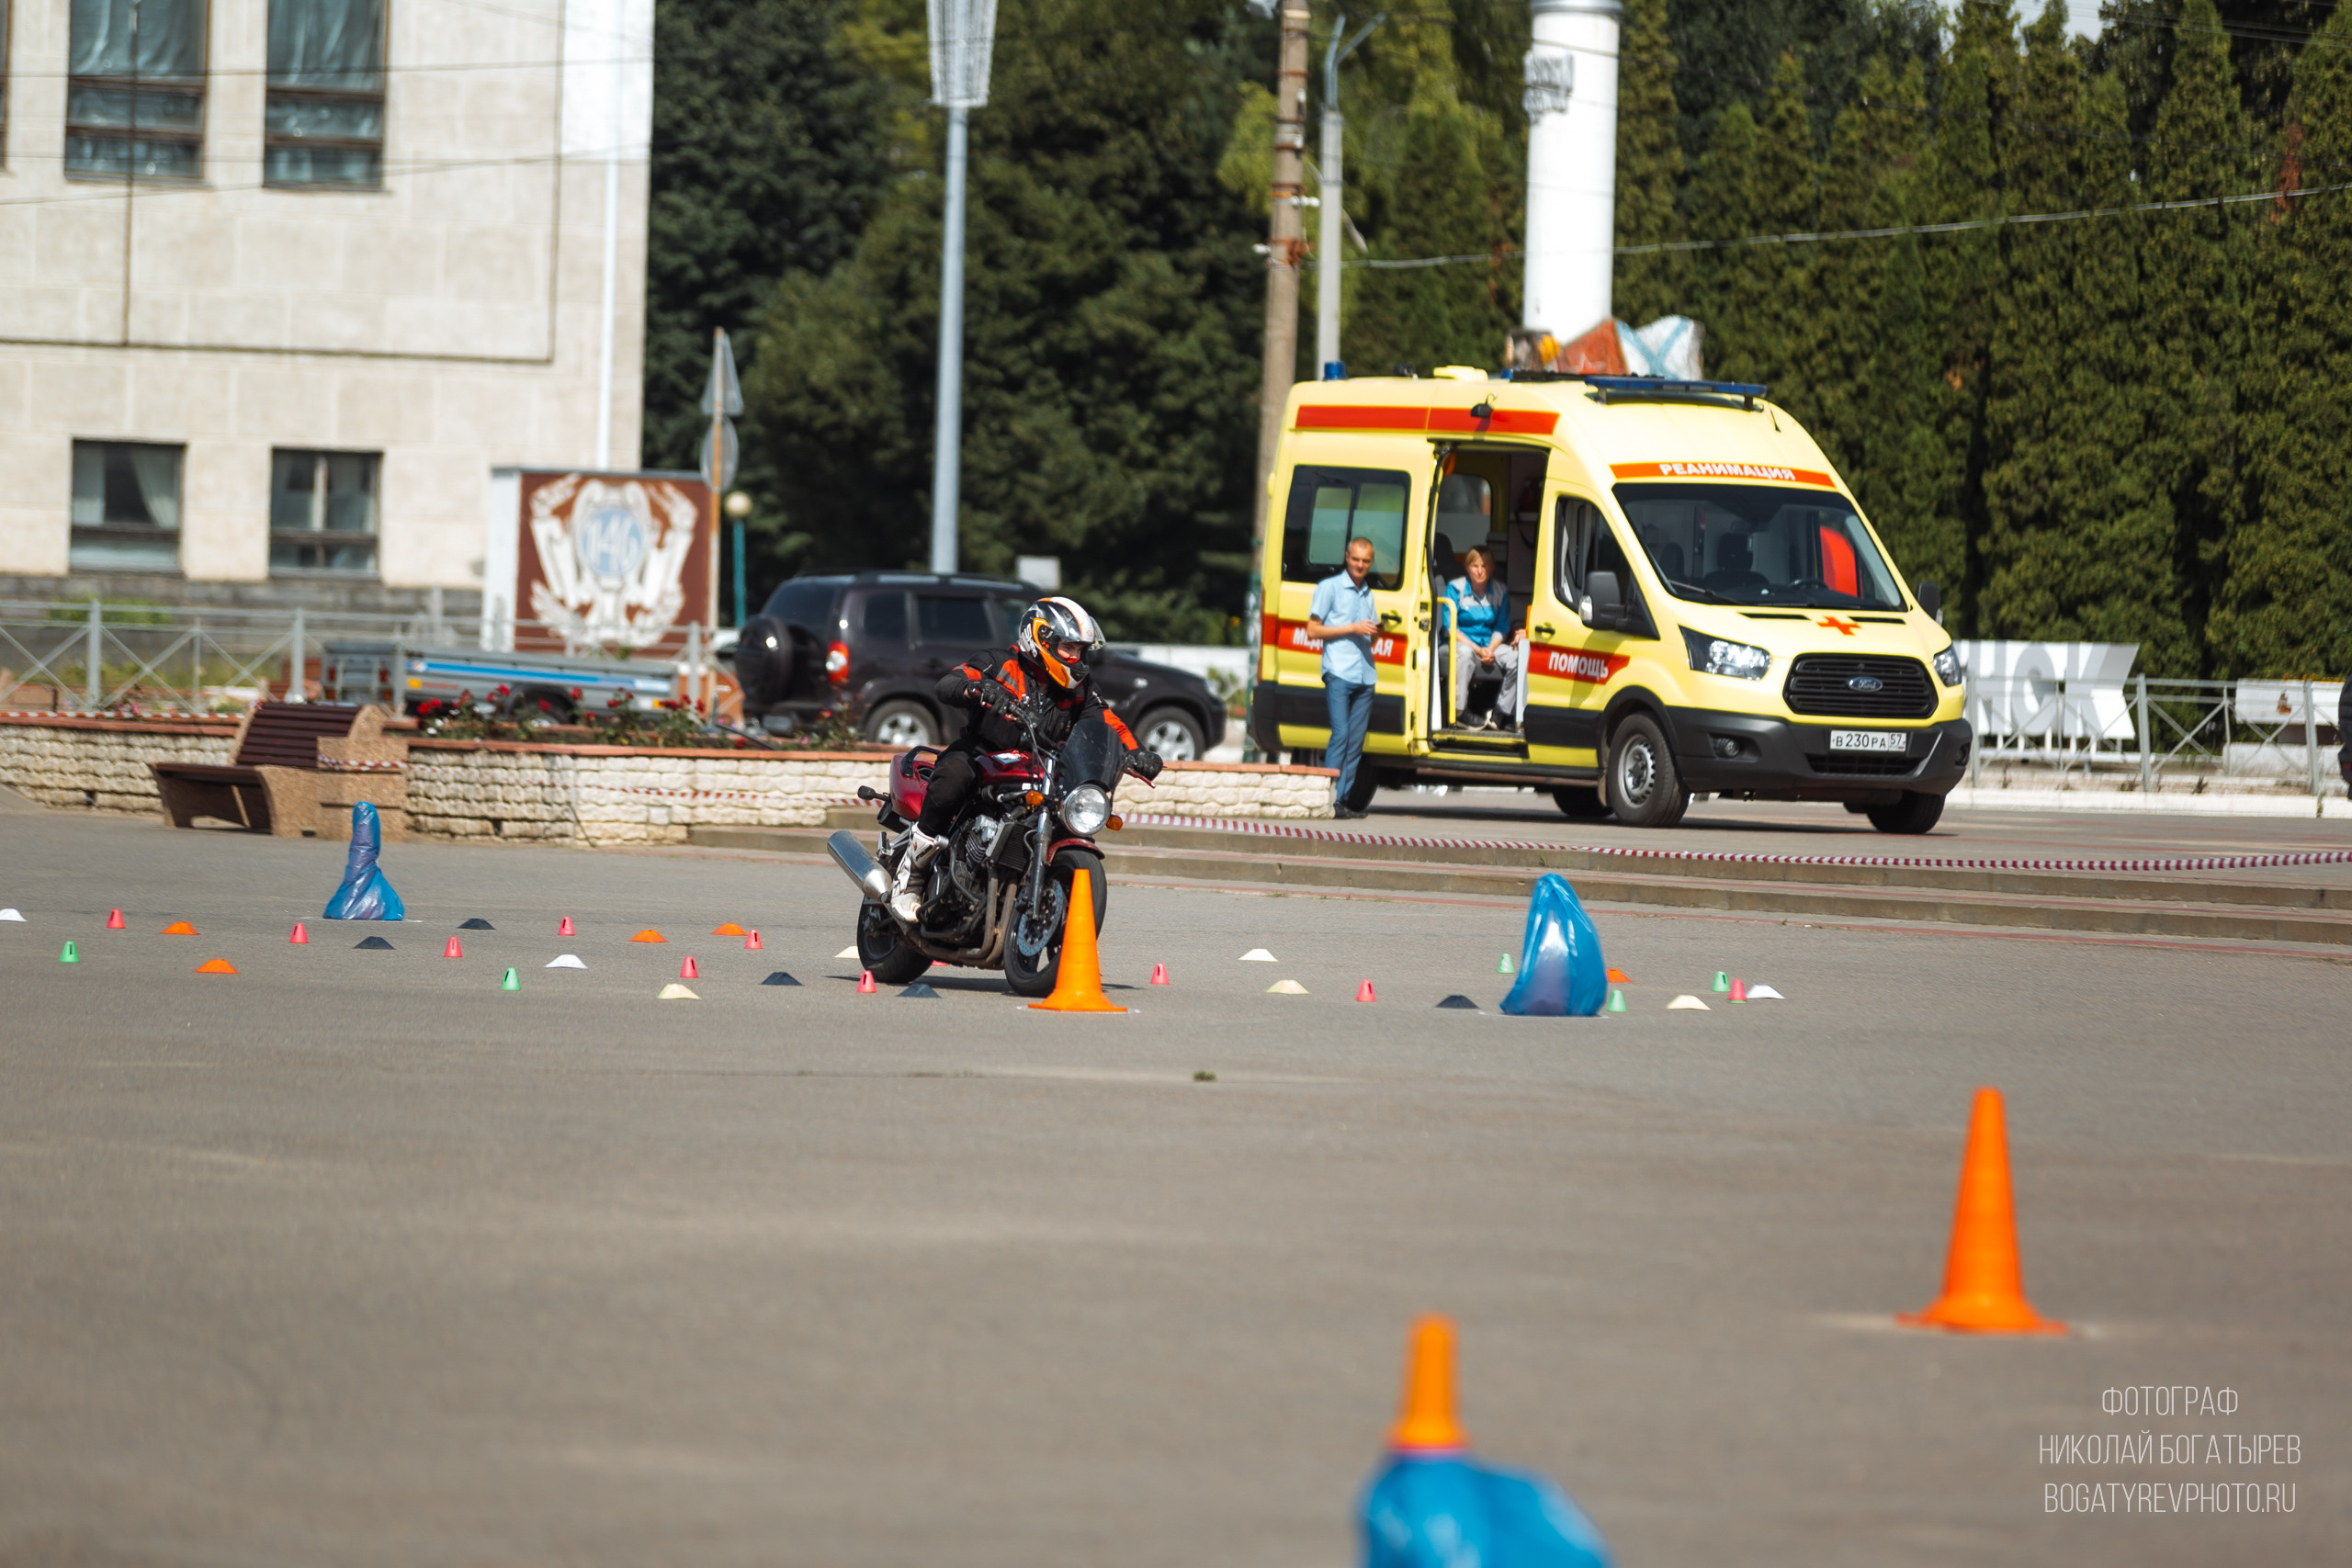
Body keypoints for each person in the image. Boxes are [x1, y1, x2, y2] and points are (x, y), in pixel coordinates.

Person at [888, 595, 1152, 922]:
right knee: (953, 778)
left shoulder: (1079, 689)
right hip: (980, 756)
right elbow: (951, 682)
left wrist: (1136, 752)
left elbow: (1108, 721)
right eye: (1068, 647)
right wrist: (978, 690)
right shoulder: (999, 663)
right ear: (1040, 639)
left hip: (1037, 767)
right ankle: (911, 879)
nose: (1075, 657)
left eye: (1080, 650)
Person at [1307, 536, 1381, 819]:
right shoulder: (1329, 588)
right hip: (1338, 670)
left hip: (1365, 673)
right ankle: (1325, 798)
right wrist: (1352, 627)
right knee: (1340, 733)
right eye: (1355, 559)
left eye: (1365, 561)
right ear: (1346, 557)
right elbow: (1313, 630)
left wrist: (1373, 632)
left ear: (1370, 562)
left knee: (1356, 741)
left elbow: (1367, 633)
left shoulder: (1368, 593)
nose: (1359, 565)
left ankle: (1343, 802)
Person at [1441, 546, 1521, 730]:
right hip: (1459, 642)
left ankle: (1501, 713)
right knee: (1464, 652)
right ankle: (1458, 713)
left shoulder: (1501, 590)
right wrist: (1478, 650)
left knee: (1516, 657)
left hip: (1489, 644)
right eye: (1475, 565)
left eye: (1484, 566)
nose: (1480, 570)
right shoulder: (1455, 587)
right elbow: (1451, 628)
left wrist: (1490, 650)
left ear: (1491, 568)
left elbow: (1501, 627)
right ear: (1467, 568)